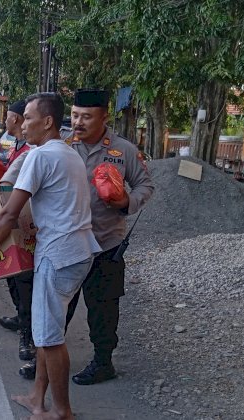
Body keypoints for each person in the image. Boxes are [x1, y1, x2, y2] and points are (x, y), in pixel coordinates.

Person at [0, 93, 101, 420]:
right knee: (46, 329)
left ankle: (62, 411)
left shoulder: (39, 157)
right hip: (78, 251)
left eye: (27, 117)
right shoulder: (68, 154)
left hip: (59, 256)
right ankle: (37, 397)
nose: (22, 125)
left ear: (48, 121)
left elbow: (9, 214)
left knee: (50, 338)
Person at [62, 89, 155, 385]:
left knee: (103, 309)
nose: (78, 122)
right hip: (65, 244)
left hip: (105, 245)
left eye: (87, 116)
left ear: (104, 117)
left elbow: (145, 186)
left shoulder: (123, 150)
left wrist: (127, 202)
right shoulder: (61, 145)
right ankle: (45, 360)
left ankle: (103, 362)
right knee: (57, 306)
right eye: (75, 115)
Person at [0, 100, 36, 363]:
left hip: (25, 218)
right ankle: (19, 315)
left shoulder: (34, 148)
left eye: (9, 116)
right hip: (5, 212)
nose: (6, 121)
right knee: (9, 270)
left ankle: (28, 334)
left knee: (25, 278)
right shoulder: (9, 142)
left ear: (20, 118)